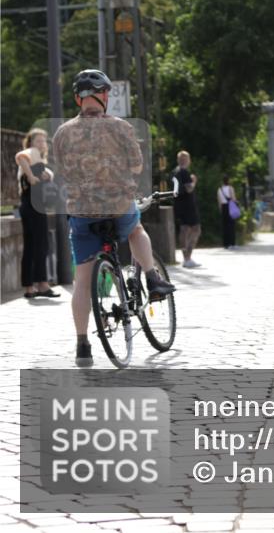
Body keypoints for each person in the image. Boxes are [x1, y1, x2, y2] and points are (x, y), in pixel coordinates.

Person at [52, 69, 175, 367]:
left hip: (81, 213)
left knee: (82, 281)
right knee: (136, 231)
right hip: (118, 207)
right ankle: (152, 277)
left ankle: (82, 345)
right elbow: (136, 166)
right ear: (104, 95)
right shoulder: (120, 128)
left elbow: (59, 173)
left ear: (77, 99)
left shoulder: (62, 132)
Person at [15, 128, 59, 299]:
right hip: (32, 206)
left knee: (32, 246)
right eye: (38, 140)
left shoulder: (39, 159)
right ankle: (42, 285)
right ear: (31, 143)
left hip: (31, 205)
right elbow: (20, 157)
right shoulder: (32, 153)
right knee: (39, 245)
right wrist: (32, 177)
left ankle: (30, 287)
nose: (42, 144)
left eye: (43, 140)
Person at [172, 151, 202, 268]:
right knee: (196, 229)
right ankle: (187, 258)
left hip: (179, 204)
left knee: (184, 229)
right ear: (186, 160)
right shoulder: (184, 172)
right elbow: (189, 189)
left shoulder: (175, 171)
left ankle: (186, 257)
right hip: (188, 206)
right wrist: (194, 181)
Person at [217, 176, 238, 249]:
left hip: (223, 207)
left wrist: (221, 209)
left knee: (225, 226)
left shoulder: (219, 189)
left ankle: (226, 244)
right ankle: (232, 243)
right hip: (230, 207)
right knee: (231, 225)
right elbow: (233, 198)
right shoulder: (230, 188)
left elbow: (219, 201)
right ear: (228, 181)